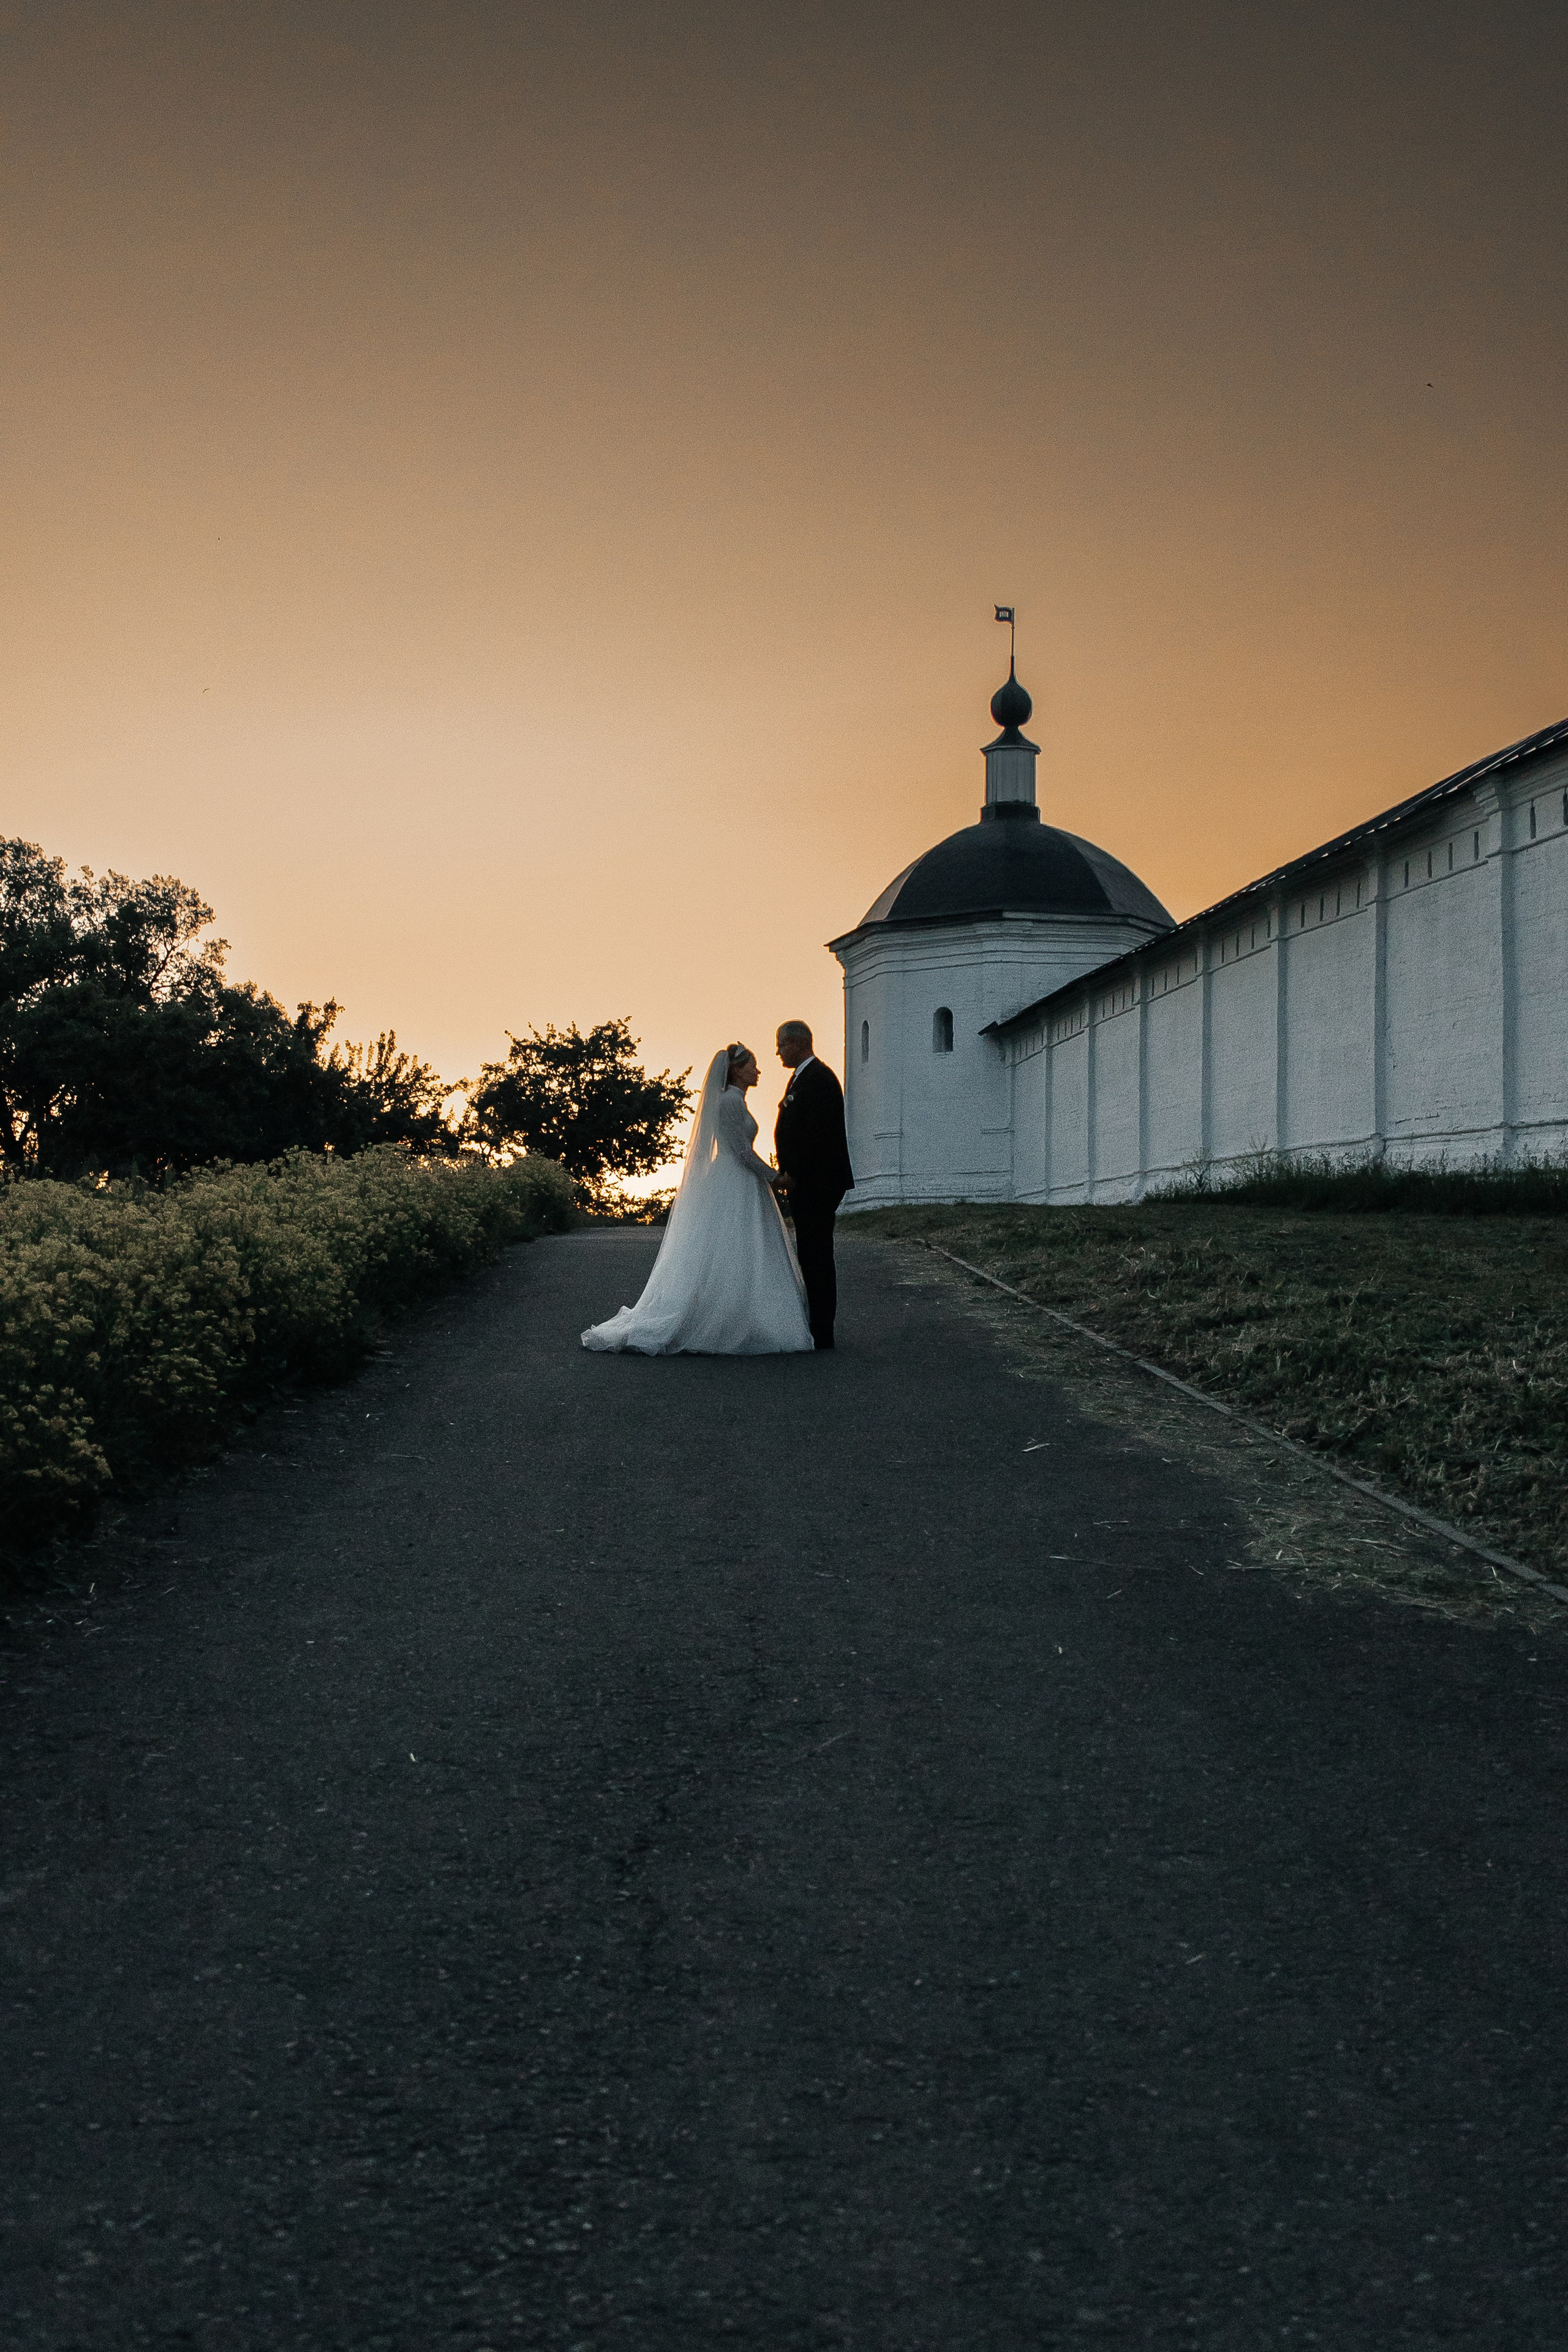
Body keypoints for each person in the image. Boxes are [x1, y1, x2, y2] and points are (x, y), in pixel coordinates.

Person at [581, 1044, 813, 1356]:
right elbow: (741, 1152)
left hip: (737, 1179)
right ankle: (732, 1318)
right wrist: (775, 1177)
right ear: (735, 1070)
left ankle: (740, 1313)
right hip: (735, 1179)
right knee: (737, 1247)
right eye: (752, 1066)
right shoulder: (730, 1102)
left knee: (737, 1248)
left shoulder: (734, 1101)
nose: (758, 1071)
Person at [773, 1021, 854, 1349]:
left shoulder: (819, 1079)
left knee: (817, 1255)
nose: (777, 1051)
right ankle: (818, 1326)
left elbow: (815, 1136)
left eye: (780, 1044)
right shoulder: (804, 1077)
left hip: (817, 1183)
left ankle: (822, 1332)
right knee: (811, 1254)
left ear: (796, 1043)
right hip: (809, 1182)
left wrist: (794, 1174)